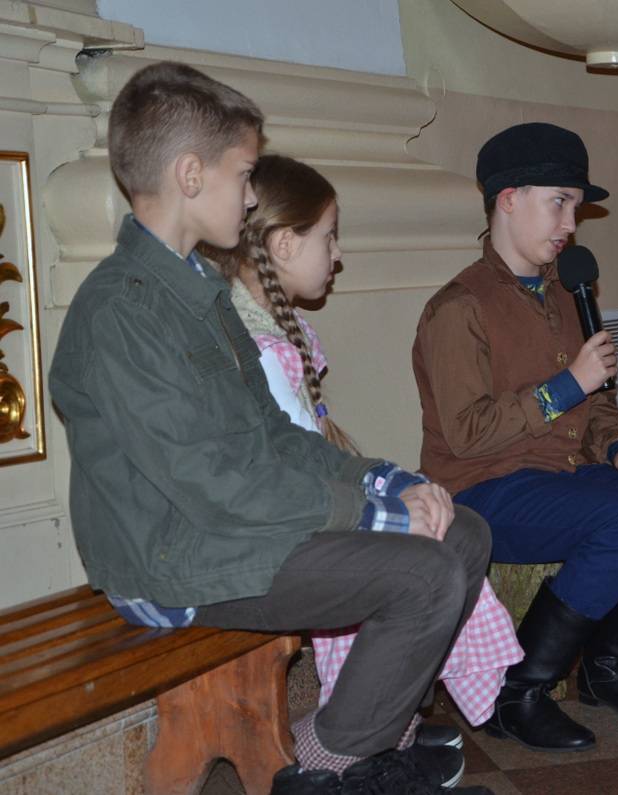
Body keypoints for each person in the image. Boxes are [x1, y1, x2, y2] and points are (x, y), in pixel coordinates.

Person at [48, 61, 492, 794]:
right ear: (191, 175)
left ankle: (366, 747)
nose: (253, 195)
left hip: (230, 529)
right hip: (173, 561)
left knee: (460, 531)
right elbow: (211, 484)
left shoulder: (201, 292)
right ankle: (328, 768)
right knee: (424, 570)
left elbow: (276, 437)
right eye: (245, 174)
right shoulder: (121, 313)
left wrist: (384, 481)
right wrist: (376, 515)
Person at [412, 122, 618, 753]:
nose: (571, 224)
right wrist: (566, 386)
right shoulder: (458, 308)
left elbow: (598, 403)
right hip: (484, 489)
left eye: (575, 207)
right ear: (509, 199)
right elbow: (467, 435)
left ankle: (605, 667)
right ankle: (518, 691)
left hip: (567, 478)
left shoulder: (567, 294)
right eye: (560, 203)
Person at [206, 153, 523, 742]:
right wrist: (388, 513)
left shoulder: (279, 330)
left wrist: (397, 489)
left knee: (464, 530)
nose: (338, 254)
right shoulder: (248, 346)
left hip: (302, 517)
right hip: (262, 544)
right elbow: (280, 481)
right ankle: (341, 747)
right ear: (283, 244)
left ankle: (393, 717)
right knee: (425, 562)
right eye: (329, 237)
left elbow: (313, 452)